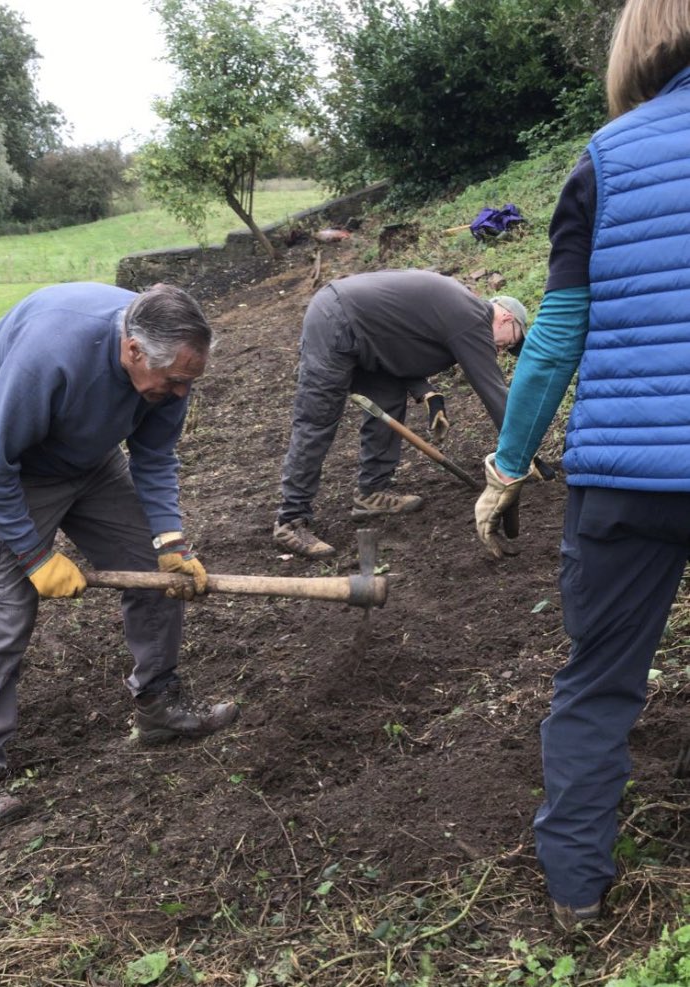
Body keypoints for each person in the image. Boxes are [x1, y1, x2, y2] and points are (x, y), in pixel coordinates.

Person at [474, 0, 690, 931]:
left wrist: (506, 467)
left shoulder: (608, 159)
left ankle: (574, 889)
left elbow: (555, 339)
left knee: (600, 678)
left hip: (627, 479)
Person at [0, 281, 238, 825]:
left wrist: (170, 541)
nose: (179, 393)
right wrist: (35, 557)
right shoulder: (51, 354)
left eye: (188, 382)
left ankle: (159, 703)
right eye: (174, 381)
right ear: (132, 350)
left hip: (90, 460)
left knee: (156, 572)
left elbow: (154, 454)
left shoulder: (172, 362)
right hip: (7, 462)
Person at [273, 269, 528, 558]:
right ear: (507, 317)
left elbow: (400, 346)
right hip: (337, 319)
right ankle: (290, 521)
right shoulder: (473, 318)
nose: (502, 349)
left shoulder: (459, 313)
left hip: (364, 332)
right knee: (317, 421)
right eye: (509, 342)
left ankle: (371, 492)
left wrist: (427, 392)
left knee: (389, 397)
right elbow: (493, 391)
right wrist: (523, 452)